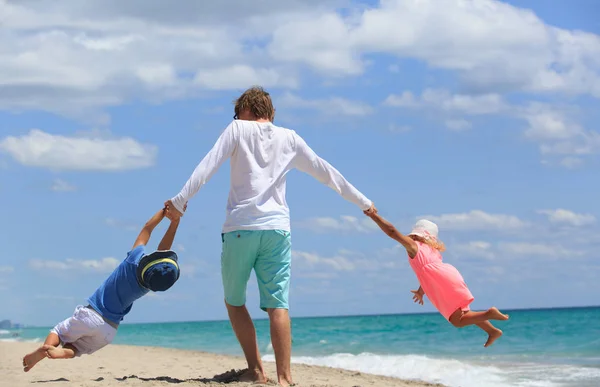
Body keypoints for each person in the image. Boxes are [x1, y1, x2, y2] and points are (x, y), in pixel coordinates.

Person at [164, 86, 373, 386]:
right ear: (271, 113)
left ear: (244, 112)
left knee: (234, 302)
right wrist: (364, 203)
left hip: (240, 229)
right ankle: (285, 379)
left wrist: (180, 202)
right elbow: (326, 173)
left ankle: (257, 371)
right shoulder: (289, 137)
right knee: (278, 305)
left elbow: (207, 166)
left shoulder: (237, 129)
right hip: (277, 230)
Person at [22, 205, 184, 372]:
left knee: (58, 331)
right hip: (109, 331)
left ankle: (48, 348)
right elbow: (163, 252)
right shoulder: (147, 286)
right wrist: (175, 222)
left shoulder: (133, 261)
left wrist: (167, 214)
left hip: (92, 315)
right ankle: (62, 352)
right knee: (77, 349)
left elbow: (147, 229)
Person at [364, 207, 509, 347]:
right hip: (450, 275)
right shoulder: (431, 250)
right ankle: (492, 331)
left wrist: (373, 216)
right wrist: (421, 291)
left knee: (457, 321)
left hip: (442, 279)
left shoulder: (413, 246)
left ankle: (489, 313)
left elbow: (392, 232)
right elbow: (430, 274)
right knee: (464, 312)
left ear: (415, 234)